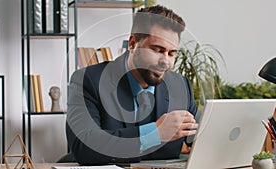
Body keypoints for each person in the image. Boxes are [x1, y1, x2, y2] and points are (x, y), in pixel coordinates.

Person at [66, 5, 200, 165]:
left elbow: (203, 137)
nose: (166, 61)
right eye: (157, 50)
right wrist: (154, 134)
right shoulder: (87, 80)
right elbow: (84, 146)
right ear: (132, 43)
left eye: (171, 53)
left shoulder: (180, 86)